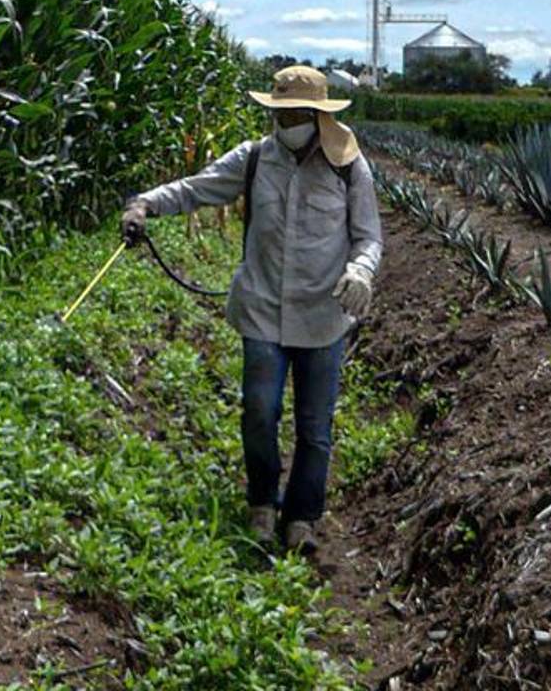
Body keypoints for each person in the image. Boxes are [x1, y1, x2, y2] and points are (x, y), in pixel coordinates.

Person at [120, 65, 383, 554]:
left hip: (323, 315)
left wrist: (361, 270)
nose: (288, 120)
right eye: (280, 112)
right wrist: (144, 205)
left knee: (314, 426)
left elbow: (368, 236)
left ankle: (302, 517)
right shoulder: (256, 158)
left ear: (316, 113)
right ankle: (263, 502)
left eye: (297, 112)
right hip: (262, 306)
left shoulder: (348, 166)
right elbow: (197, 187)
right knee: (259, 412)